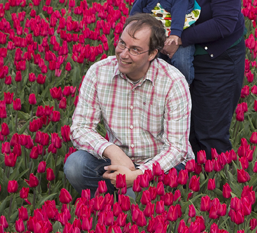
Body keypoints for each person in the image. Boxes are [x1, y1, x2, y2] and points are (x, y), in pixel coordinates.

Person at [64, 14, 195, 196]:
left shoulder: (173, 82)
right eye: (122, 44)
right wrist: (112, 150)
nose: (123, 54)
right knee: (75, 165)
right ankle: (106, 205)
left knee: (133, 193)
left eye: (134, 49)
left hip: (162, 166)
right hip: (117, 161)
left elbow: (177, 149)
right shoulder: (99, 72)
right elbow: (80, 128)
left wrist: (138, 175)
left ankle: (123, 207)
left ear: (152, 54)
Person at [165, 0, 247, 162]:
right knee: (179, 128)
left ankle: (217, 189)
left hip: (217, 58)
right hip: (174, 55)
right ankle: (187, 184)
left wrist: (178, 38)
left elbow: (225, 22)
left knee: (209, 132)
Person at [130, 0, 198, 83]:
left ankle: (183, 86)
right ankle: (156, 86)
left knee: (181, 61)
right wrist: (132, 24)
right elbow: (138, 8)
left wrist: (175, 34)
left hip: (178, 31)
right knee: (152, 60)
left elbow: (179, 14)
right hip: (156, 33)